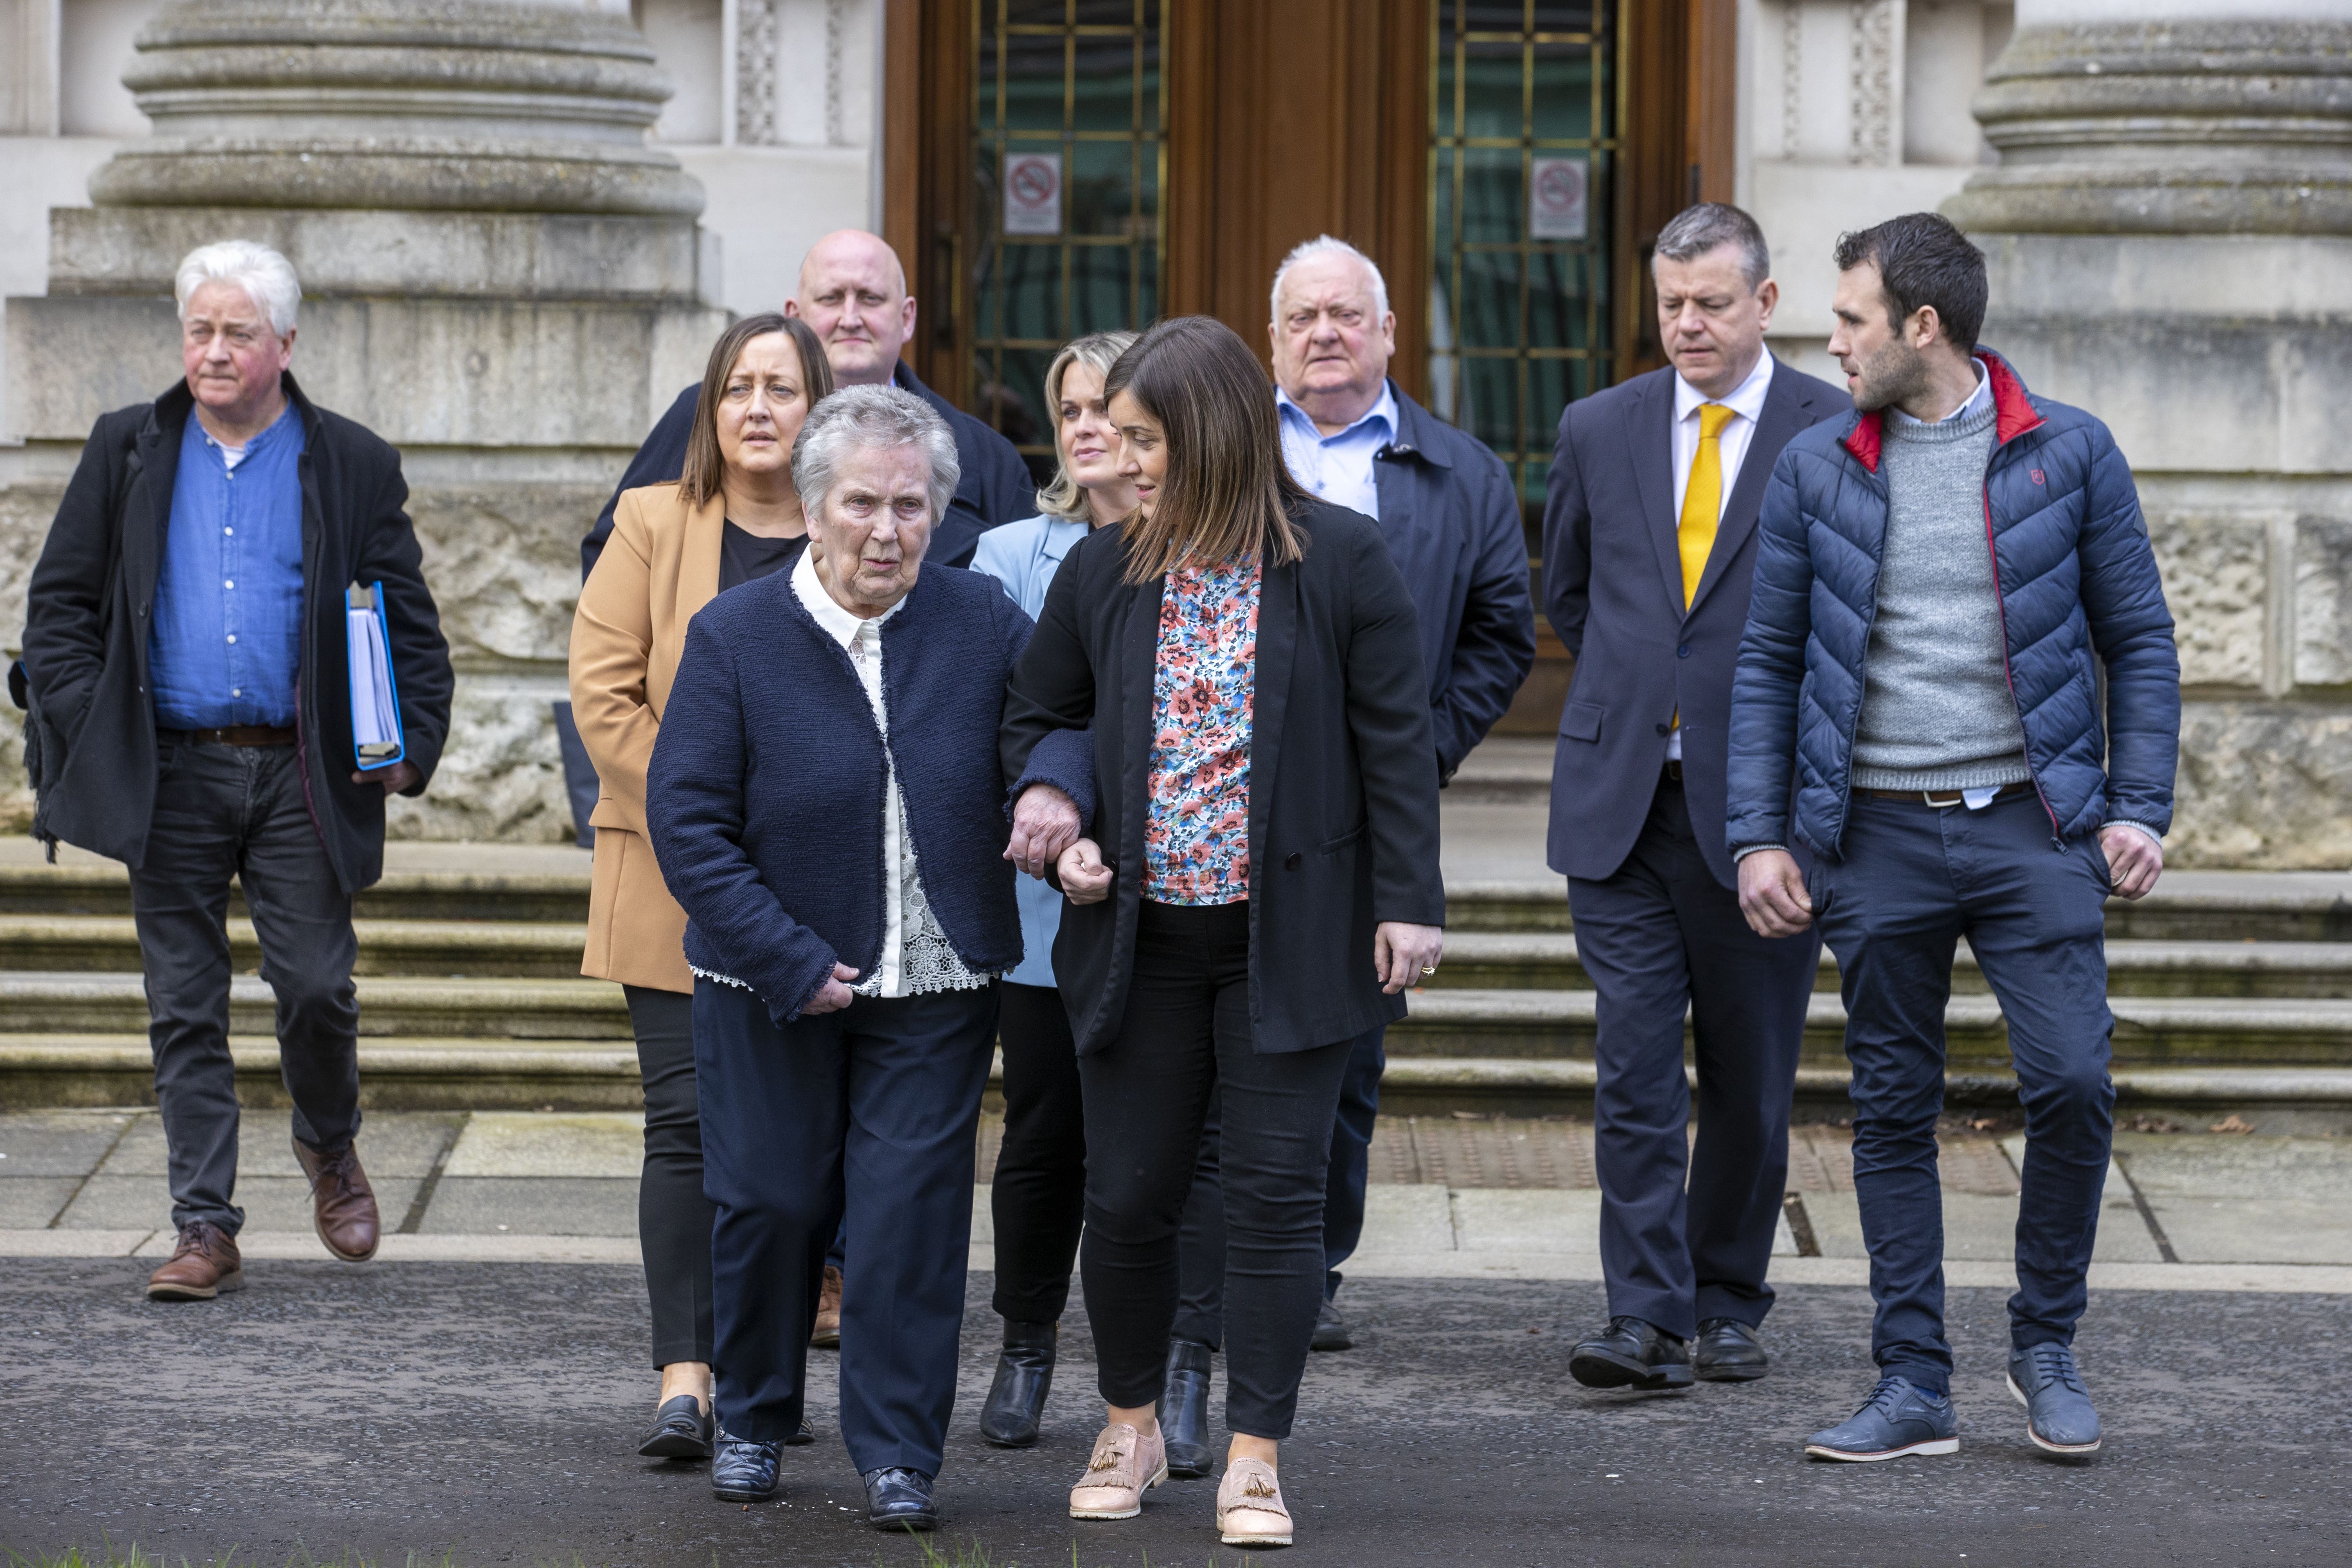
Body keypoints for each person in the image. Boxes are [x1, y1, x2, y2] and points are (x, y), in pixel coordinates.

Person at [1727, 212, 2179, 1462]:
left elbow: (2137, 639)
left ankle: (2045, 1343)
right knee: (1887, 1106)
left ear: (1921, 328)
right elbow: (1766, 662)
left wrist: (2137, 805)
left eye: (1852, 320)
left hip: (2035, 829)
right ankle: (1912, 1379)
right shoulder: (1816, 468)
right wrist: (1760, 836)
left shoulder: (2069, 454)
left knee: (2073, 1082)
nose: (1831, 339)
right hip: (1870, 833)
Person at [1001, 316, 1445, 1550]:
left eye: (1143, 437)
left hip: (1290, 942)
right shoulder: (1104, 571)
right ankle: (1130, 1422)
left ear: (1209, 434)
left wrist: (1410, 899)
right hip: (1137, 939)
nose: (1119, 456)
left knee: (1271, 1202)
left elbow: (1394, 747)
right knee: (1130, 1196)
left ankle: (1255, 1454)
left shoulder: (1344, 562)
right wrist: (1057, 807)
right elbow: (1043, 711)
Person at [645, 384, 1092, 1532]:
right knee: (771, 1200)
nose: (885, 530)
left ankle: (899, 1451)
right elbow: (688, 821)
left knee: (909, 1216)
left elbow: (1060, 720)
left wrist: (1055, 787)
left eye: (910, 506)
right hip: (769, 981)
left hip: (936, 974)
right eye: (860, 504)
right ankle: (751, 1415)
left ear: (940, 515)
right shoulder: (735, 634)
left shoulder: (983, 617)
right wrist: (789, 957)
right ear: (812, 507)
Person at [1158, 234, 1535, 1463]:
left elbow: (1499, 632)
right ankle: (1199, 1308)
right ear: (1272, 340)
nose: (1324, 332)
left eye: (1345, 314)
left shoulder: (1456, 470)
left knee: (1346, 1066)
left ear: (1385, 333)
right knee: (1213, 1082)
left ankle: (1303, 1266)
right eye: (1301, 316)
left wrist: (1412, 754)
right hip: (1213, 821)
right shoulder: (1224, 458)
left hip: (1363, 823)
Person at [19, 240, 453, 1301]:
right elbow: (58, 609)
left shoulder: (350, 459)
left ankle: (328, 1141)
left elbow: (411, 629)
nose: (214, 351)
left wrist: (409, 748)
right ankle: (204, 1226)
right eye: (200, 330)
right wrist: (90, 719)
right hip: (166, 773)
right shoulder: (126, 447)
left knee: (314, 986)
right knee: (184, 1001)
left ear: (284, 345)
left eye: (238, 333)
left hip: (302, 773)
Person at [1539, 203, 1847, 1392]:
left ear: (1766, 303)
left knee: (1748, 1074)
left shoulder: (1828, 431)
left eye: (1710, 302)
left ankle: (1727, 1298)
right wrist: (1649, 693)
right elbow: (1572, 590)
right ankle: (1644, 1313)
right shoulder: (1597, 425)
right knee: (1631, 1066)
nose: (1686, 324)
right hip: (1619, 799)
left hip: (1763, 818)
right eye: (1670, 302)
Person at [568, 312, 833, 1465]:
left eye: (782, 386)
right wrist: (704, 814)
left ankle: (770, 1370)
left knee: (800, 1139)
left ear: (820, 405)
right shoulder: (650, 522)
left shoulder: (852, 529)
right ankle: (687, 1374)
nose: (759, 407)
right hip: (672, 876)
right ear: (710, 409)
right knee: (686, 1125)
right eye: (738, 386)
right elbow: (605, 691)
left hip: (822, 884)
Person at [965, 329, 1139, 1449]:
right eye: (1068, 410)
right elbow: (1007, 720)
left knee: (1171, 1143)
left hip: (1174, 896)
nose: (1082, 429)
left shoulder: (1215, 551)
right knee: (1045, 1135)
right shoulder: (1006, 554)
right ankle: (1027, 1340)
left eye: (1106, 412)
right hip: (1044, 915)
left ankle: (1177, 1359)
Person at [581, 229, 1034, 576]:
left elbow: (1025, 603)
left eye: (871, 298)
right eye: (832, 298)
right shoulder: (715, 415)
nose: (851, 317)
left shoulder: (985, 458)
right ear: (795, 315)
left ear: (908, 316)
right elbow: (614, 562)